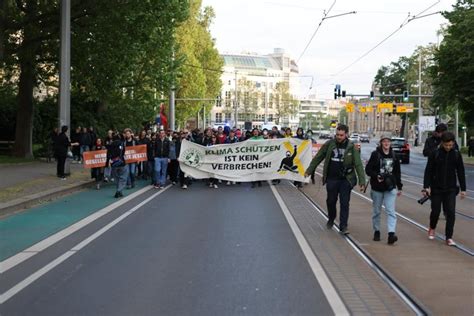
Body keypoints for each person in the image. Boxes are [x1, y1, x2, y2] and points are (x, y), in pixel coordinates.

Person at [304, 124, 366, 235]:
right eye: (337, 134)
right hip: (332, 178)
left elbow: (358, 164)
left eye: (341, 135)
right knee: (331, 201)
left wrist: (362, 181)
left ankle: (343, 226)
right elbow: (318, 157)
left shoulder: (352, 147)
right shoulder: (329, 144)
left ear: (346, 135)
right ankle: (331, 218)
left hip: (346, 179)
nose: (338, 137)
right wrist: (309, 170)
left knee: (344, 203)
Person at [423, 132, 466, 246]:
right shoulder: (435, 153)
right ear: (442, 143)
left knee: (451, 212)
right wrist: (426, 186)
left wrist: (463, 189)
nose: (448, 147)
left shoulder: (456, 154)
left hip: (451, 188)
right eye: (446, 145)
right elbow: (428, 170)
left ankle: (449, 237)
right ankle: (432, 227)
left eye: (450, 145)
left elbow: (461, 172)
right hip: (436, 188)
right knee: (435, 211)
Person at [365, 135, 403, 244]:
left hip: (390, 187)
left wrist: (399, 186)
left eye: (388, 141)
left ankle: (391, 234)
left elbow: (397, 173)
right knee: (377, 211)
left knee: (391, 211)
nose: (386, 143)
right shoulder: (375, 154)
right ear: (381, 143)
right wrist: (376, 175)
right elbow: (368, 170)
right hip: (377, 187)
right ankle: (377, 231)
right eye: (384, 141)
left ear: (390, 143)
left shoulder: (394, 155)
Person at [106, 134, 128, 198]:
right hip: (121, 162)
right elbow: (123, 152)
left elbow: (108, 154)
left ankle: (119, 191)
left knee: (117, 178)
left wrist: (108, 162)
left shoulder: (110, 145)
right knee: (123, 177)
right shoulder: (121, 144)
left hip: (113, 163)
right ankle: (119, 190)